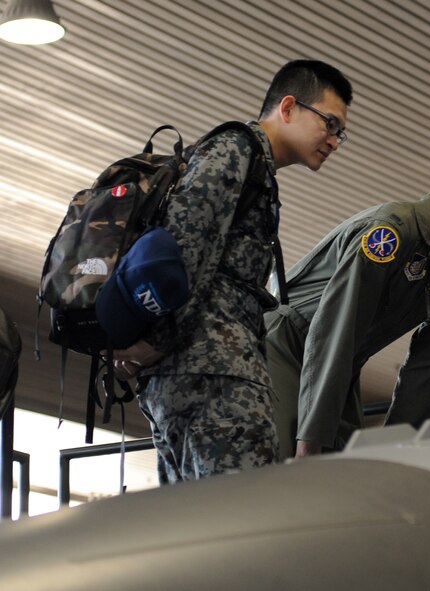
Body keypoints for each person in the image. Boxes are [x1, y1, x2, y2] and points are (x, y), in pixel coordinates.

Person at [106, 59, 353, 483]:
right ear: (289, 107)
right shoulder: (236, 149)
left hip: (196, 372)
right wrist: (156, 340)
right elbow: (184, 247)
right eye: (329, 123)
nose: (333, 140)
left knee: (198, 529)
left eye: (340, 133)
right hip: (215, 377)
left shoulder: (253, 166)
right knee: (243, 517)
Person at [264, 162, 430, 459]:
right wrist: (310, 439)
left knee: (345, 475)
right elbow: (337, 328)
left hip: (340, 363)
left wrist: (402, 448)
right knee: (284, 466)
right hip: (283, 345)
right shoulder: (391, 232)